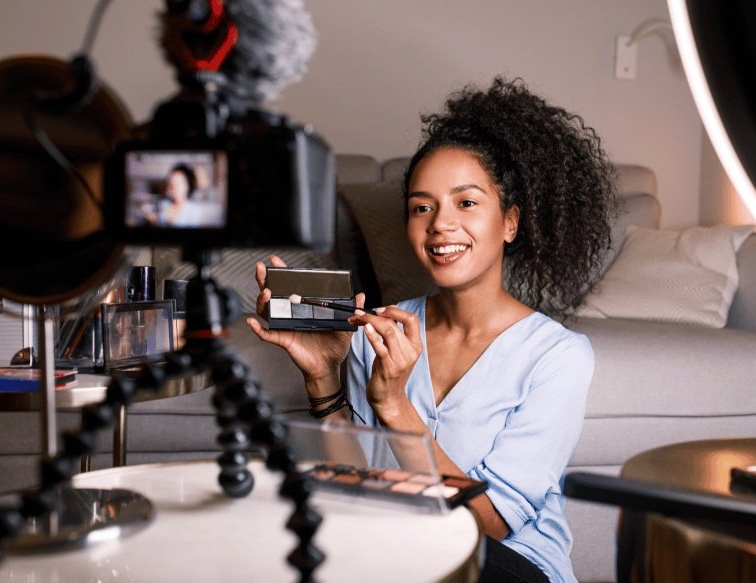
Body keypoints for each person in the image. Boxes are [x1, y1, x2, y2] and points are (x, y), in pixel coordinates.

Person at [247, 77, 620, 583]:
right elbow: (356, 492)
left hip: (506, 568)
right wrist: (323, 379)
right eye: (422, 207)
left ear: (510, 222)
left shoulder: (558, 356)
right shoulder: (379, 334)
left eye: (466, 203)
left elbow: (489, 524)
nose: (440, 224)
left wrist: (395, 406)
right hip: (401, 561)